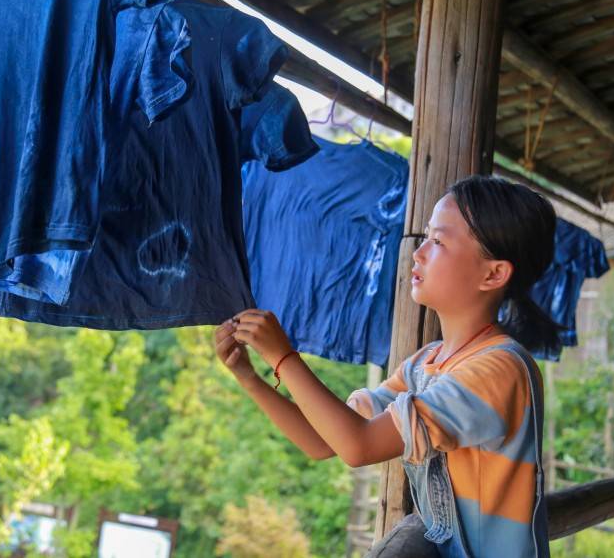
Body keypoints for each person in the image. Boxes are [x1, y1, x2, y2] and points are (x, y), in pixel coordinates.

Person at [215, 175, 557, 558]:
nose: (419, 252)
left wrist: (284, 358)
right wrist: (250, 377)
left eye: (439, 241)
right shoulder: (424, 365)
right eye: (426, 237)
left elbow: (357, 447)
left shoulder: (499, 370)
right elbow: (323, 440)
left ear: (493, 274)